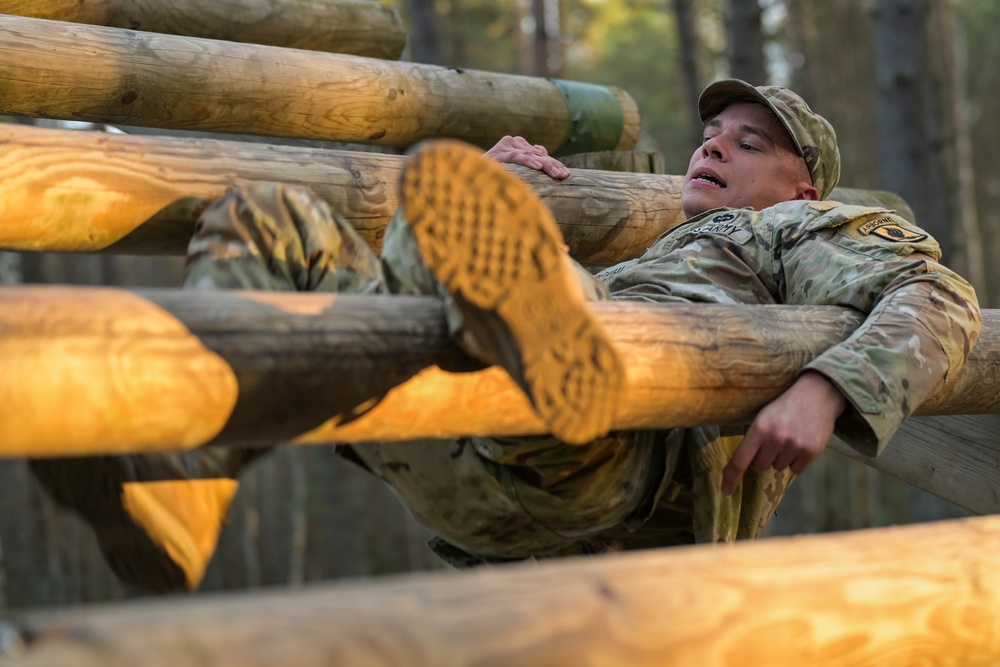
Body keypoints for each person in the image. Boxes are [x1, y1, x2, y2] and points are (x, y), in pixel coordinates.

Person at [30, 79, 981, 591]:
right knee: (273, 215)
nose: (713, 146)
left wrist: (826, 391)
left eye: (750, 141)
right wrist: (478, 194)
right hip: (472, 474)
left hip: (626, 472)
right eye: (711, 134)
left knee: (524, 261)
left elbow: (939, 298)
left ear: (804, 185)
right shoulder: (658, 252)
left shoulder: (797, 230)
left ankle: (539, 345)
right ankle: (178, 485)